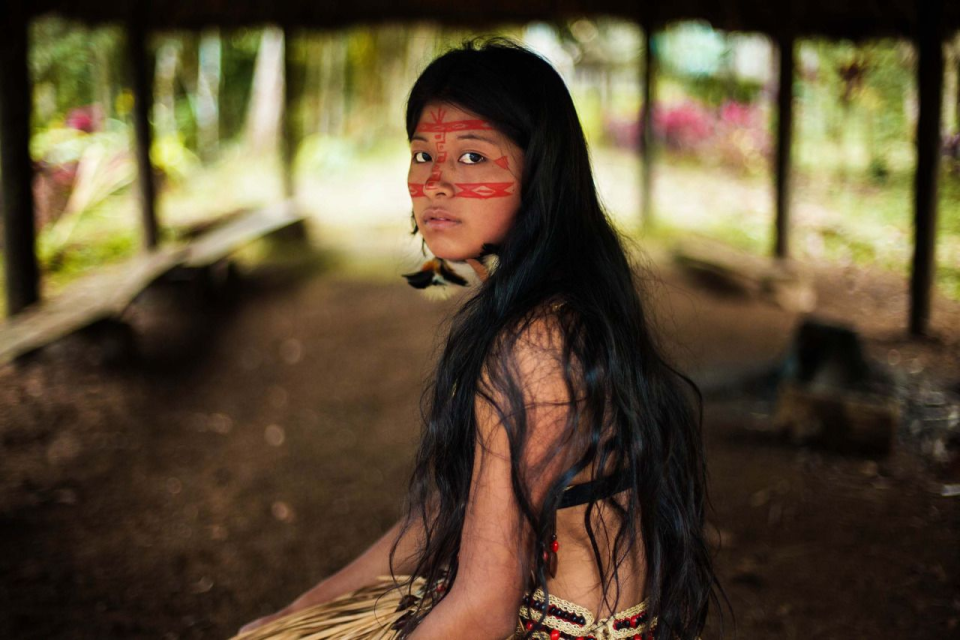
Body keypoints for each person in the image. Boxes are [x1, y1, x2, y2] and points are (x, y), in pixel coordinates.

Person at [235, 37, 725, 640]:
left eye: (472, 158)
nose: (435, 183)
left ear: (537, 174)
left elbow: (484, 611)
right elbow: (440, 516)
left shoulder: (539, 344)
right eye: (421, 155)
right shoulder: (542, 302)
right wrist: (297, 615)